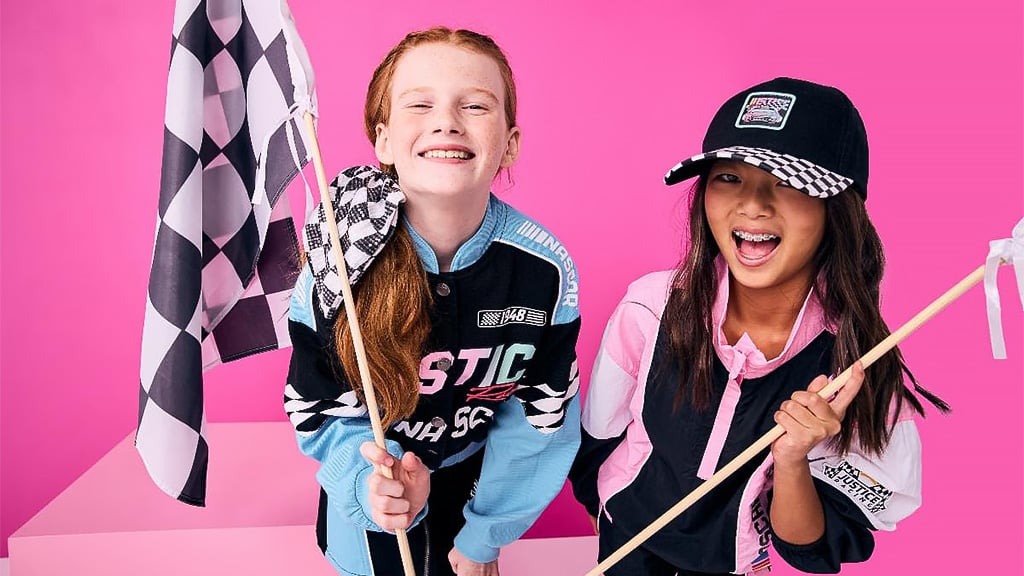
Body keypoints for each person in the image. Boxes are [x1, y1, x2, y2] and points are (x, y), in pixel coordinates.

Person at [569, 77, 948, 575]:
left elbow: (811, 549)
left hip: (737, 564)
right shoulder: (650, 307)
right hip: (625, 539)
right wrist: (603, 509)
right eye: (729, 177)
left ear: (837, 208)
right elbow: (598, 436)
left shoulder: (860, 366)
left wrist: (792, 458)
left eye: (787, 181)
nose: (752, 205)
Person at [286, 27, 582, 576]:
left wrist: (485, 536)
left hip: (473, 488)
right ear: (383, 140)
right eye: (420, 104)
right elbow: (318, 404)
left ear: (510, 143)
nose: (446, 121)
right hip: (369, 483)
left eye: (475, 105)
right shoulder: (338, 258)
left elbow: (540, 418)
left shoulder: (544, 268)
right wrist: (369, 485)